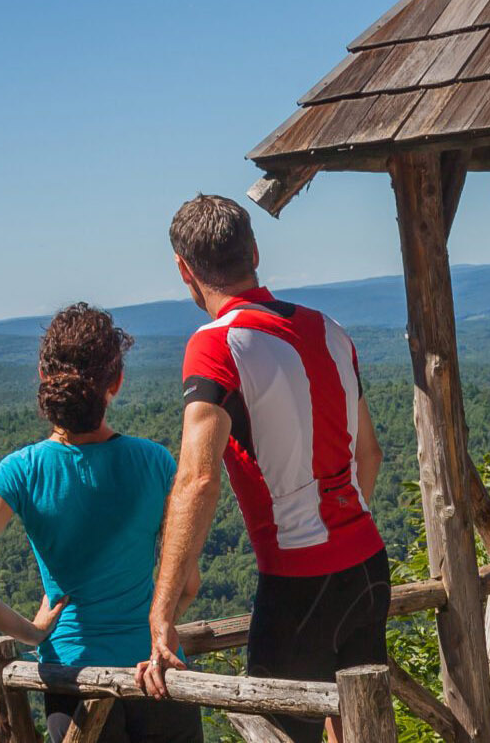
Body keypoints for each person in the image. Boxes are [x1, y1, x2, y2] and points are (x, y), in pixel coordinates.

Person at [136, 195, 388, 743]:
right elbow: (369, 454)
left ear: (185, 270)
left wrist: (162, 613)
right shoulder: (330, 329)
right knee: (361, 726)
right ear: (253, 250)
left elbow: (197, 479)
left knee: (279, 734)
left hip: (298, 578)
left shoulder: (215, 346)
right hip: (368, 564)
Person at [0, 303, 203, 743]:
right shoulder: (154, 462)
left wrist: (32, 631)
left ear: (45, 380)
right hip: (157, 675)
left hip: (73, 679)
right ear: (116, 383)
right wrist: (161, 629)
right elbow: (187, 581)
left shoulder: (21, 471)